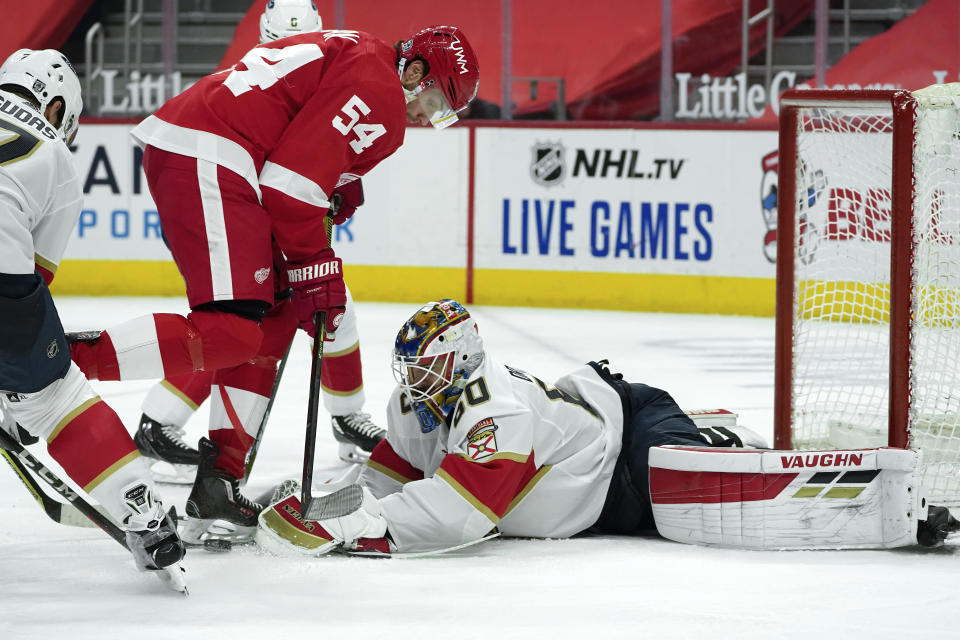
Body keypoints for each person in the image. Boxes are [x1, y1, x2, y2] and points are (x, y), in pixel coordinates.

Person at [69, 27, 480, 544]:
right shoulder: (380, 89)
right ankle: (49, 368)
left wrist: (343, 186)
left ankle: (220, 479)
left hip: (217, 149)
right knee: (231, 331)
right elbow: (290, 189)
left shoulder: (365, 57)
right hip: (213, 152)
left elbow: (301, 136)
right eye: (436, 100)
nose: (428, 116)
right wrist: (317, 264)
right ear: (417, 72)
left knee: (275, 316)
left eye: (444, 114)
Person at [256, 299, 960, 555]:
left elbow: (461, 516)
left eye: (428, 371)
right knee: (670, 508)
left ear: (462, 362)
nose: (415, 386)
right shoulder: (418, 405)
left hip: (628, 444)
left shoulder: (493, 411)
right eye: (410, 371)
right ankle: (708, 432)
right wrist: (329, 501)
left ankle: (887, 499)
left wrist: (358, 528)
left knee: (693, 494)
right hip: (593, 484)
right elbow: (389, 477)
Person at [132, 0, 383, 487]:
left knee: (329, 312)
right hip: (226, 211)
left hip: (253, 219)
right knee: (239, 322)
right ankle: (158, 421)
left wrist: (340, 188)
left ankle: (348, 417)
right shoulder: (251, 86)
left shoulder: (311, 83)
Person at [0, 49, 185, 577]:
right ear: (55, 108)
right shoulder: (54, 154)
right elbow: (33, 279)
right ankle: (145, 517)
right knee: (57, 399)